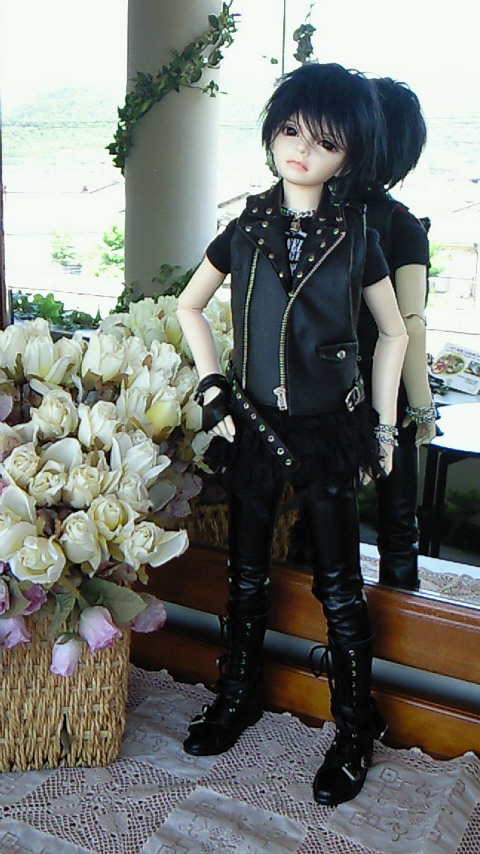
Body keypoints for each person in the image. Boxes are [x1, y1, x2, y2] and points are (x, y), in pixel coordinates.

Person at [177, 62, 408, 806]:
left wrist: (383, 429)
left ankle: (354, 725)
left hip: (329, 429)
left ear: (351, 155)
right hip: (252, 423)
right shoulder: (246, 228)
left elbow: (395, 333)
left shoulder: (360, 234)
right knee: (245, 574)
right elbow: (189, 305)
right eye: (290, 130)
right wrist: (212, 381)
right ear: (272, 132)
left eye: (325, 141)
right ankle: (238, 692)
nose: (302, 150)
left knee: (341, 586)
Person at [357, 78, 437, 590]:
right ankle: (402, 607)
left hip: (323, 381)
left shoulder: (319, 213)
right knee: (398, 518)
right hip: (388, 386)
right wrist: (423, 405)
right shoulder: (402, 226)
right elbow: (410, 324)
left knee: (315, 510)